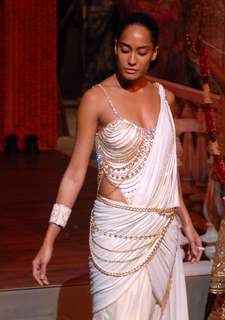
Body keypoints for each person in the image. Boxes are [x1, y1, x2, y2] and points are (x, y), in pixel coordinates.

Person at [32, 12, 203, 319]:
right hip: (115, 233)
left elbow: (166, 173)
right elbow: (75, 173)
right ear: (114, 47)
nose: (131, 60)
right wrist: (49, 239)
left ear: (154, 53)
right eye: (125, 49)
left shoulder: (167, 99)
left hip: (161, 231)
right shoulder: (96, 99)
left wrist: (187, 224)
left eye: (140, 52)